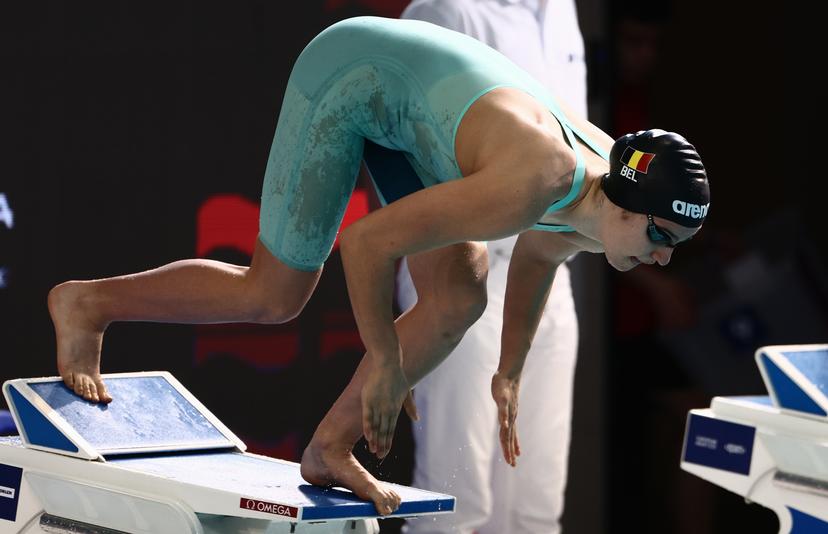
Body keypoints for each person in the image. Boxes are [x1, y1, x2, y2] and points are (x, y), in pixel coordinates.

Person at [47, 16, 709, 516]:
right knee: (274, 295)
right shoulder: (539, 177)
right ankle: (87, 303)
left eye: (674, 244)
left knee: (460, 296)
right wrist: (388, 360)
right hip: (353, 75)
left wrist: (508, 373)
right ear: (625, 201)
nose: (662, 256)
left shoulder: (600, 197)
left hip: (414, 111)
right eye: (658, 234)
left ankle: (329, 449)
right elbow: (366, 244)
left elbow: (541, 253)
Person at [397, 0, 586, 532]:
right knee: (455, 504)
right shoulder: (442, 11)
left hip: (552, 268)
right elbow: (412, 158)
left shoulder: (564, 9)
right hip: (465, 267)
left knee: (535, 509)